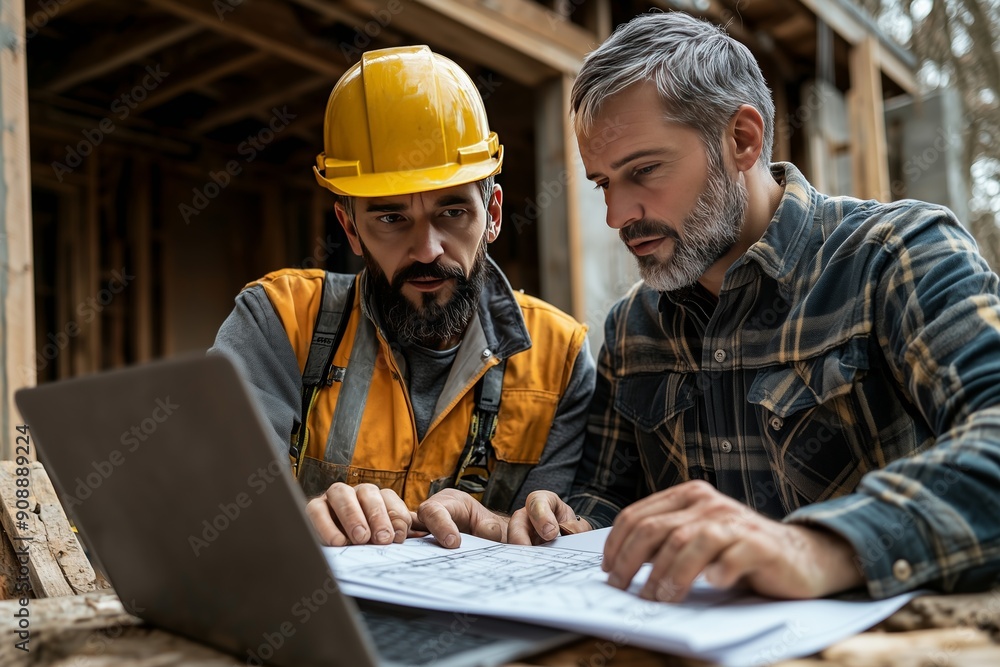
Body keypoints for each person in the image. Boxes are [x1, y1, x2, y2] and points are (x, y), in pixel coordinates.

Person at [412, 11, 1000, 604]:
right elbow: (606, 501)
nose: (617, 216)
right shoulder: (632, 330)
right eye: (603, 184)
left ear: (741, 140)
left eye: (643, 170)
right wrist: (541, 526)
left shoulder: (897, 257)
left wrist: (818, 547)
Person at [210, 45, 595, 548]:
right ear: (350, 228)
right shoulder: (279, 321)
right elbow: (210, 513)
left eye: (453, 212)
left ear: (494, 214)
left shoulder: (559, 359)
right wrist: (299, 522)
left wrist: (498, 526)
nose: (426, 249)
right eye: (391, 218)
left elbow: (557, 546)